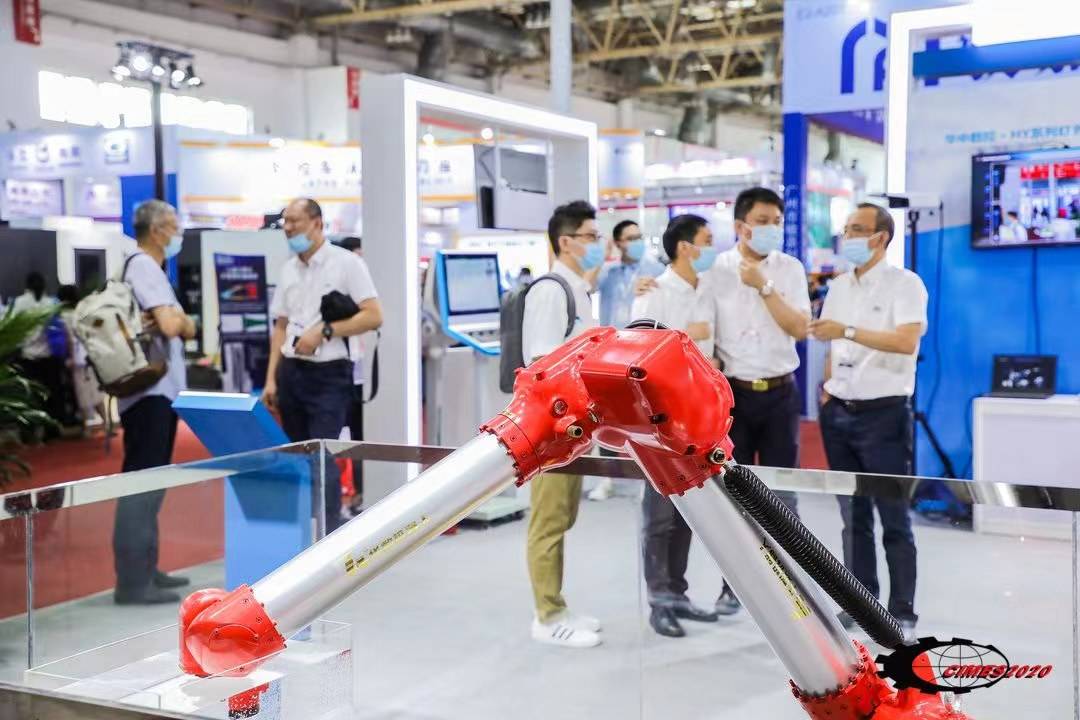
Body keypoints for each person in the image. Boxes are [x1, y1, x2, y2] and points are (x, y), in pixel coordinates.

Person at [808, 202, 928, 643]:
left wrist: (847, 331)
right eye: (847, 229)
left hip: (884, 414)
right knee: (852, 515)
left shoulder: (905, 284)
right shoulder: (840, 285)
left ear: (880, 237)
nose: (849, 237)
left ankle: (902, 611)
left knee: (893, 516)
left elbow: (906, 340)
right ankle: (861, 602)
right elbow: (831, 342)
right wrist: (828, 388)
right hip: (840, 410)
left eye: (858, 229)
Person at [704, 187, 811, 615]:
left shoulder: (790, 269)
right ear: (740, 226)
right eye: (762, 221)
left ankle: (791, 587)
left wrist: (764, 286)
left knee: (784, 493)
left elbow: (800, 328)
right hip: (734, 395)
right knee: (735, 495)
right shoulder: (716, 270)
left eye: (776, 222)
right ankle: (735, 586)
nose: (771, 229)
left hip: (781, 392)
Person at [263, 199, 382, 533]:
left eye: (295, 221)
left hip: (329, 374)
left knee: (322, 454)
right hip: (291, 371)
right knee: (296, 455)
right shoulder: (288, 268)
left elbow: (374, 316)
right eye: (285, 222)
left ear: (317, 223)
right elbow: (281, 326)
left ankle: (329, 535)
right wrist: (271, 378)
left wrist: (325, 331)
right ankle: (301, 531)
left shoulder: (346, 264)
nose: (288, 228)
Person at [630, 214, 722, 638]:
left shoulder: (706, 289)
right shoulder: (654, 294)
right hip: (661, 420)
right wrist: (686, 334)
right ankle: (659, 601)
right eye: (707, 240)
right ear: (685, 247)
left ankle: (678, 594)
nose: (712, 247)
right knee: (659, 514)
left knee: (689, 511)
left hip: (700, 415)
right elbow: (637, 356)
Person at [523, 200, 603, 648]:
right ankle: (547, 616)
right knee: (549, 521)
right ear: (566, 242)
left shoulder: (578, 289)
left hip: (574, 426)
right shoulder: (551, 290)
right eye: (591, 236)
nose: (598, 244)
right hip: (551, 426)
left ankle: (557, 604)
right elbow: (542, 365)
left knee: (564, 516)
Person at [113, 199, 196, 604]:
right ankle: (133, 582)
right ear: (158, 229)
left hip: (154, 392)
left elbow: (177, 324)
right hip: (150, 394)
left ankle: (146, 567)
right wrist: (183, 321)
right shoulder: (144, 266)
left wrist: (182, 322)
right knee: (141, 485)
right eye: (174, 225)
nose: (178, 233)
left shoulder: (144, 267)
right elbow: (172, 324)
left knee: (150, 485)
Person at [588, 220, 663, 501]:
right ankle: (607, 478)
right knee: (605, 416)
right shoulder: (608, 273)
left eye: (639, 236)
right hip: (610, 354)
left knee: (646, 418)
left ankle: (649, 478)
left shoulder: (655, 269)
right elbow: (588, 284)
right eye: (630, 238)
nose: (637, 242)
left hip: (643, 354)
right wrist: (604, 255)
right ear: (618, 242)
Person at [13, 272, 63, 438]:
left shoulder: (19, 303)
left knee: (30, 397)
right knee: (51, 395)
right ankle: (51, 431)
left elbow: (14, 330)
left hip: (28, 358)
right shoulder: (51, 303)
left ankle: (30, 433)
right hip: (50, 358)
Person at [57, 284, 106, 436]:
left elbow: (70, 340)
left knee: (82, 393)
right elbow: (99, 325)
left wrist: (71, 358)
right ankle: (106, 423)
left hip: (77, 359)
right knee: (96, 390)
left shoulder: (65, 316)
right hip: (91, 356)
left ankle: (87, 428)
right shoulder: (85, 311)